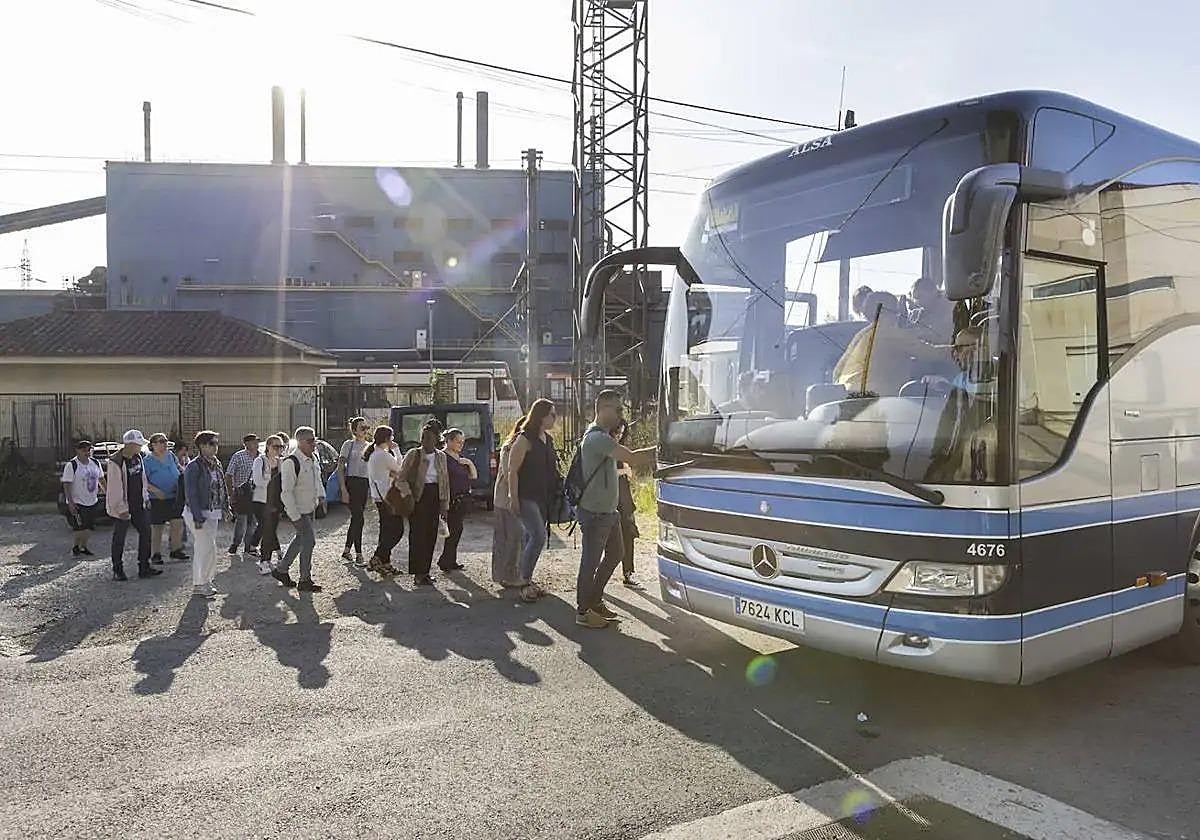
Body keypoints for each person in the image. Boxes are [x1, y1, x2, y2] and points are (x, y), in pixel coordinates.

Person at [575, 391, 655, 628]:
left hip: (608, 512)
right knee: (590, 562)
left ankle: (595, 601)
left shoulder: (602, 436)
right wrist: (665, 447)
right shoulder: (597, 437)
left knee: (616, 554)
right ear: (603, 408)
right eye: (618, 410)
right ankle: (583, 611)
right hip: (596, 514)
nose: (622, 415)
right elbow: (632, 458)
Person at [506, 399, 558, 603]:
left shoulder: (548, 439)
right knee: (538, 536)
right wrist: (513, 496)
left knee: (530, 538)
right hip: (526, 496)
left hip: (543, 496)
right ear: (542, 416)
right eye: (552, 414)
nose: (555, 418)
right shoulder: (524, 439)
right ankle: (524, 581)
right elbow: (512, 471)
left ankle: (527, 578)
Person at [272, 426, 324, 592]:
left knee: (300, 539)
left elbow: (317, 478)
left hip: (310, 508)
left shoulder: (313, 458)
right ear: (300, 442)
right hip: (299, 511)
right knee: (309, 541)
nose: (314, 444)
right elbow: (286, 493)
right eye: (310, 441)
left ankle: (281, 570)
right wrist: (295, 516)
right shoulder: (291, 462)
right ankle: (304, 580)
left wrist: (320, 496)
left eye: (314, 440)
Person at [398, 420, 449, 586]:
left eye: (429, 438)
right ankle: (418, 573)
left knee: (431, 536)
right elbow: (401, 479)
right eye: (423, 437)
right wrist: (409, 496)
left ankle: (426, 571)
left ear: (436, 439)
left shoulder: (441, 456)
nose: (425, 441)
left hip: (434, 496)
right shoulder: (414, 454)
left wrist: (444, 505)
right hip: (418, 498)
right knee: (418, 536)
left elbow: (445, 482)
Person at [106, 429, 161, 582]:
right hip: (123, 506)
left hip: (139, 504)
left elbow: (142, 479)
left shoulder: (138, 457)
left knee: (146, 533)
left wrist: (146, 497)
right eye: (138, 444)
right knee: (119, 538)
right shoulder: (115, 461)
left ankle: (144, 567)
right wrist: (121, 509)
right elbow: (115, 488)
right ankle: (118, 569)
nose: (140, 447)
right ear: (130, 444)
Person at [183, 430, 231, 598]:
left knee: (206, 546)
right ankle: (200, 583)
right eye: (212, 443)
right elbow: (191, 493)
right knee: (206, 547)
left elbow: (222, 486)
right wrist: (197, 516)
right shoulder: (193, 466)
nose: (215, 447)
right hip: (198, 512)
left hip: (213, 511)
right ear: (201, 446)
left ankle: (204, 580)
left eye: (216, 443)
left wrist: (226, 507)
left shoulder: (216, 463)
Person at [364, 425, 408, 576]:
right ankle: (377, 557)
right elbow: (400, 469)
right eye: (392, 437)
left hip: (379, 497)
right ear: (387, 438)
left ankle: (385, 563)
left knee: (386, 531)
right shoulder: (383, 455)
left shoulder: (374, 454)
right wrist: (396, 450)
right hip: (388, 498)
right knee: (397, 531)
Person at [438, 427, 478, 573]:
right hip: (451, 499)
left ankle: (450, 560)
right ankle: (445, 561)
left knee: (457, 530)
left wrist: (469, 462)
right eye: (457, 442)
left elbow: (473, 476)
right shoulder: (442, 457)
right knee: (453, 530)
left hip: (462, 498)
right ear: (448, 441)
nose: (460, 445)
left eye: (462, 442)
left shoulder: (460, 458)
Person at [144, 433, 187, 565]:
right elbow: (143, 481)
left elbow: (179, 469)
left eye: (165, 441)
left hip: (174, 496)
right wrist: (156, 491)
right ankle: (155, 554)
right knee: (157, 527)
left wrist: (183, 474)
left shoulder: (170, 456)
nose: (164, 444)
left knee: (177, 523)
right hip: (157, 498)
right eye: (161, 441)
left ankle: (176, 550)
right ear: (153, 445)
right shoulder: (147, 461)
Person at [490, 424, 524, 589]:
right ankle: (504, 575)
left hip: (517, 500)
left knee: (517, 538)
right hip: (505, 500)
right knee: (508, 538)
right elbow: (508, 471)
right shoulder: (508, 447)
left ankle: (513, 573)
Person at [608, 420, 640, 588]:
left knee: (629, 536)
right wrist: (623, 471)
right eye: (616, 433)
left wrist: (626, 470)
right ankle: (596, 576)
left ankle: (628, 574)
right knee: (608, 541)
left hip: (625, 500)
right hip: (610, 501)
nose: (619, 436)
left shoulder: (621, 450)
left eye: (621, 433)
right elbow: (604, 473)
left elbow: (629, 476)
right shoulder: (605, 447)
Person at [61, 440, 104, 557]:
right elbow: (67, 484)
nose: (87, 452)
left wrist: (107, 491)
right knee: (79, 527)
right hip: (78, 501)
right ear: (78, 451)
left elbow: (101, 478)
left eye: (88, 450)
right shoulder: (72, 465)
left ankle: (84, 546)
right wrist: (70, 502)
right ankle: (76, 546)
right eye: (84, 450)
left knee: (89, 526)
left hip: (92, 500)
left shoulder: (95, 462)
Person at [337, 417, 371, 567]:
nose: (365, 430)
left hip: (364, 484)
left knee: (356, 518)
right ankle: (358, 554)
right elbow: (340, 468)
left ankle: (346, 550)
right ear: (355, 429)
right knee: (359, 518)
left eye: (366, 427)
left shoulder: (370, 446)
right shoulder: (348, 445)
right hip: (352, 482)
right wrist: (343, 489)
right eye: (362, 427)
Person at [252, 434, 285, 575]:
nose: (278, 449)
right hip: (261, 501)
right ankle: (264, 561)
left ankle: (270, 557)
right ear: (268, 447)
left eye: (281, 446)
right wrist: (272, 485)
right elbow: (258, 481)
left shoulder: (281, 463)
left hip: (275, 502)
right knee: (267, 530)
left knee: (270, 530)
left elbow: (283, 482)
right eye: (275, 446)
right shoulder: (260, 461)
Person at [225, 433, 260, 558]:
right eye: (253, 442)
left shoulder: (260, 457)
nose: (256, 444)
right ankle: (235, 543)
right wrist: (231, 493)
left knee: (253, 522)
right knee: (242, 520)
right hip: (242, 493)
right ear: (246, 444)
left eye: (257, 442)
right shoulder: (238, 456)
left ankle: (248, 547)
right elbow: (228, 475)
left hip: (256, 493)